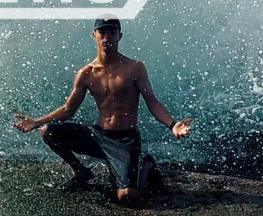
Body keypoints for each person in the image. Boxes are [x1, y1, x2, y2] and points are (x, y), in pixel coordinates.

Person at [12, 15, 192, 206]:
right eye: (103, 33)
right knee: (48, 131)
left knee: (128, 197)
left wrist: (173, 125)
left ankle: (146, 167)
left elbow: (152, 102)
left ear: (119, 36)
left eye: (112, 33)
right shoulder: (87, 73)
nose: (107, 38)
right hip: (98, 136)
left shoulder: (135, 68)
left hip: (125, 140)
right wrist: (37, 122)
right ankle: (81, 171)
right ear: (94, 35)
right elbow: (68, 109)